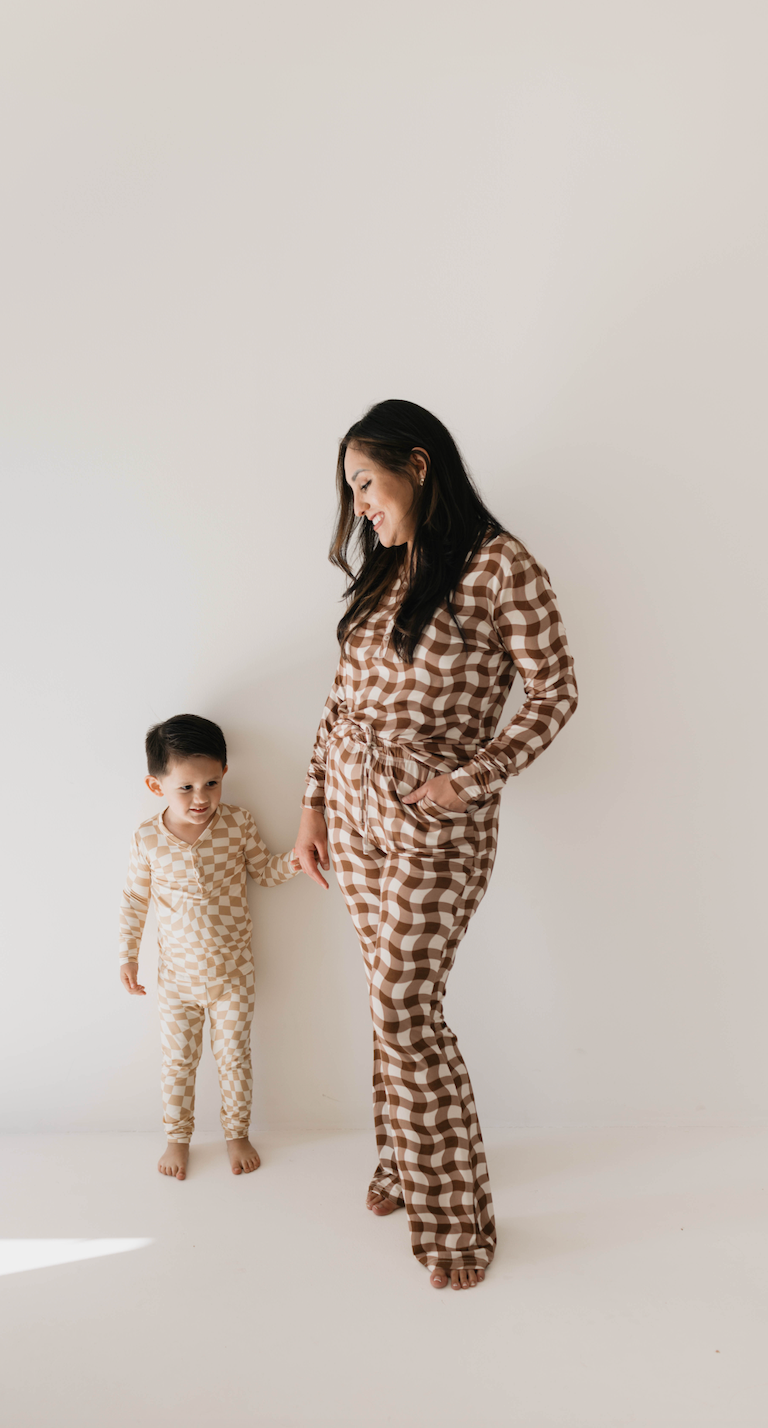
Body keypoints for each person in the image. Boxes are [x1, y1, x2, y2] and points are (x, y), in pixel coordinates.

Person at [293, 400, 578, 1291]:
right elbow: (341, 704)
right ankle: (403, 1165)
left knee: (405, 1013)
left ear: (418, 464)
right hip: (351, 804)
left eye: (366, 484)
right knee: (386, 1003)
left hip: (431, 820)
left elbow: (556, 691)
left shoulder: (500, 566)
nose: (359, 507)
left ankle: (456, 1224)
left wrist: (471, 778)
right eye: (351, 492)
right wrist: (312, 809)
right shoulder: (384, 571)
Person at [120, 713, 299, 1179]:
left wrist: (298, 860)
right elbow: (136, 899)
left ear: (224, 776)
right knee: (178, 1062)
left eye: (212, 784)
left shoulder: (237, 823)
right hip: (177, 979)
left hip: (233, 975)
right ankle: (177, 1139)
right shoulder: (147, 839)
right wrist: (128, 955)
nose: (201, 798)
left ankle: (236, 1133)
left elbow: (264, 872)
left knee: (234, 1057)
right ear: (156, 785)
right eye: (186, 788)